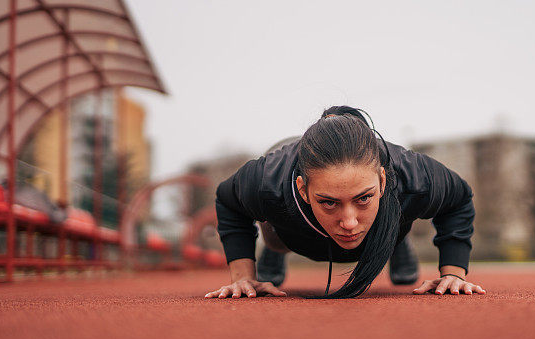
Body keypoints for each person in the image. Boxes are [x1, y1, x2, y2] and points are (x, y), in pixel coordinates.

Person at [204, 106, 486, 299]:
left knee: (395, 212)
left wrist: (454, 273)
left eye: (363, 198)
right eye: (329, 202)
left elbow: (459, 199)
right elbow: (228, 202)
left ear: (383, 180)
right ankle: (276, 250)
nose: (349, 222)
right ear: (303, 190)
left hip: (389, 222)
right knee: (276, 230)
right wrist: (242, 276)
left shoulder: (415, 177)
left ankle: (395, 240)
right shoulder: (266, 182)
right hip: (293, 233)